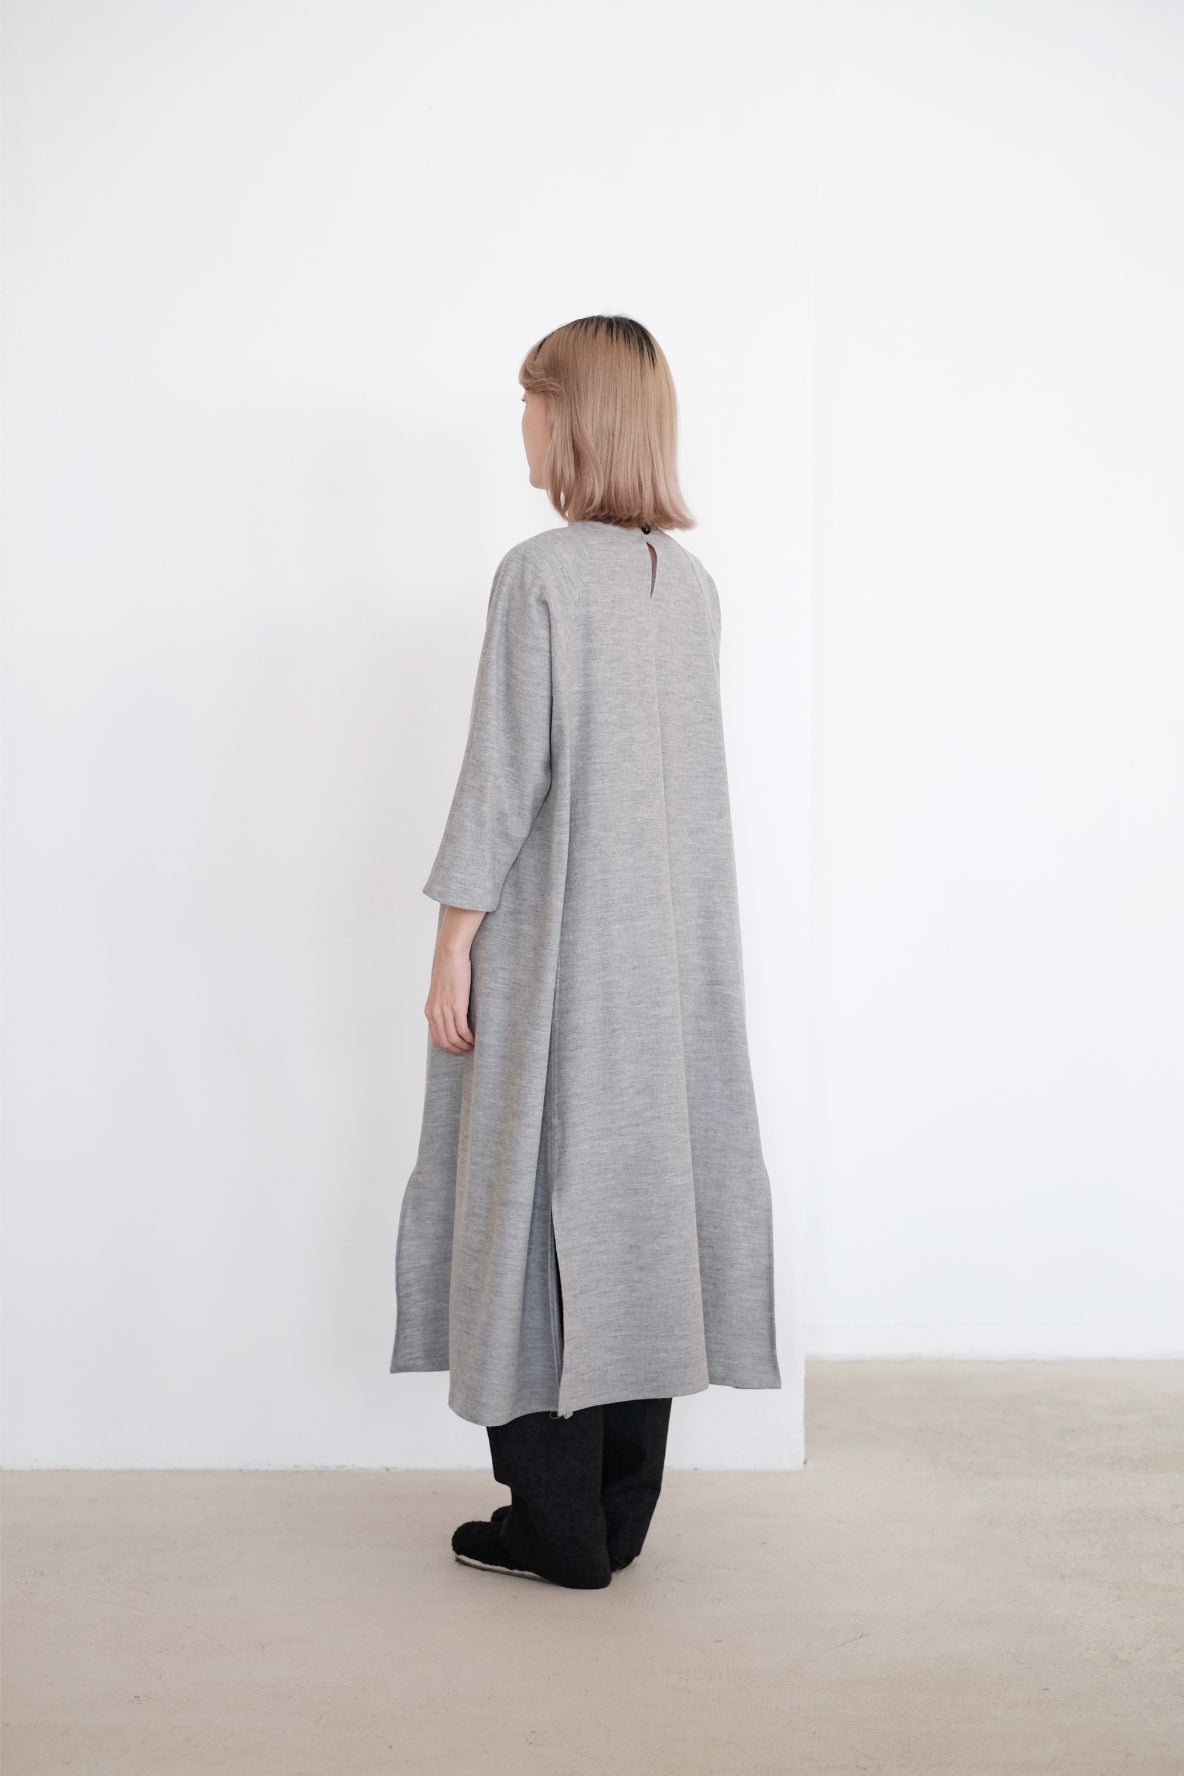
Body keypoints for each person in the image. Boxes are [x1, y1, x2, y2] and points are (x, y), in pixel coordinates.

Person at [389, 314, 781, 1589]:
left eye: (531, 398)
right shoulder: (690, 588)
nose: (520, 420)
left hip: (557, 959)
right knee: (635, 1213)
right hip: (664, 967)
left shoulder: (541, 575)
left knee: (527, 1211)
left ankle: (552, 1530)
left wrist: (452, 945)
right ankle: (614, 1516)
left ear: (574, 418)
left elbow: (502, 780)